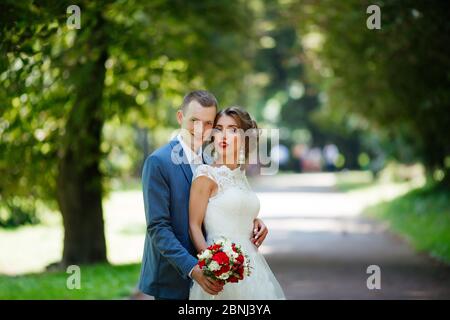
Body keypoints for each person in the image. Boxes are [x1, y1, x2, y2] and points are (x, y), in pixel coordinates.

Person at [138, 91, 269, 300]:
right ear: (180, 118)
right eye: (194, 121)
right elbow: (158, 227)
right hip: (174, 277)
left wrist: (251, 220)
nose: (201, 130)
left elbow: (217, 205)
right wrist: (194, 268)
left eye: (209, 123)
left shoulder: (211, 162)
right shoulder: (159, 162)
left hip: (217, 275)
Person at [189, 106, 286, 299]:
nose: (224, 135)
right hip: (221, 271)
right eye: (219, 128)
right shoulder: (206, 175)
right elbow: (194, 225)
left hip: (253, 269)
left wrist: (256, 221)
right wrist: (212, 264)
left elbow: (234, 209)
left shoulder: (240, 175)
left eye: (233, 129)